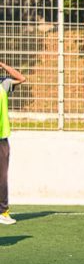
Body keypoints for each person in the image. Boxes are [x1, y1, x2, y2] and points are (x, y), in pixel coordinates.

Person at [0, 59, 27, 225]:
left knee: (2, 178)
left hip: (1, 138)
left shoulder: (4, 84)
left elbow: (21, 78)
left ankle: (3, 212)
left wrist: (3, 65)